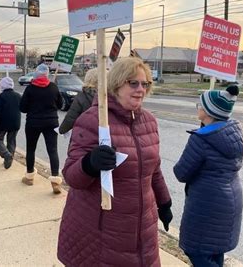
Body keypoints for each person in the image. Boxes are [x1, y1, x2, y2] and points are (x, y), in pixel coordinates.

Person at [57, 57, 173, 266]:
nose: (141, 89)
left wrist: (164, 202)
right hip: (103, 227)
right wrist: (90, 163)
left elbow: (153, 169)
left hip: (141, 228)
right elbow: (72, 176)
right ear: (117, 83)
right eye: (133, 83)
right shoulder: (93, 120)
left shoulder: (149, 121)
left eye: (145, 84)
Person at [173, 85, 243, 267]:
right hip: (230, 200)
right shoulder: (234, 132)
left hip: (207, 204)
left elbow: (181, 173)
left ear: (208, 111)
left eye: (200, 104)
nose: (198, 107)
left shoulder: (202, 139)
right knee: (214, 250)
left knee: (196, 251)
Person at [19, 64, 63, 194]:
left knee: (31, 149)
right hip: (51, 122)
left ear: (36, 74)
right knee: (53, 150)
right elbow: (60, 105)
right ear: (47, 74)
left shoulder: (30, 89)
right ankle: (55, 181)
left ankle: (29, 177)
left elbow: (22, 108)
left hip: (33, 122)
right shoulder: (54, 87)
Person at [0, 76, 22, 169]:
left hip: (2, 123)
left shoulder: (0, 97)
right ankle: (9, 159)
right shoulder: (18, 96)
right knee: (11, 141)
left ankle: (6, 155)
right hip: (15, 122)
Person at [58, 67, 98, 134]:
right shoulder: (112, 96)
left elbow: (70, 118)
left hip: (86, 135)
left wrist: (61, 130)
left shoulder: (82, 97)